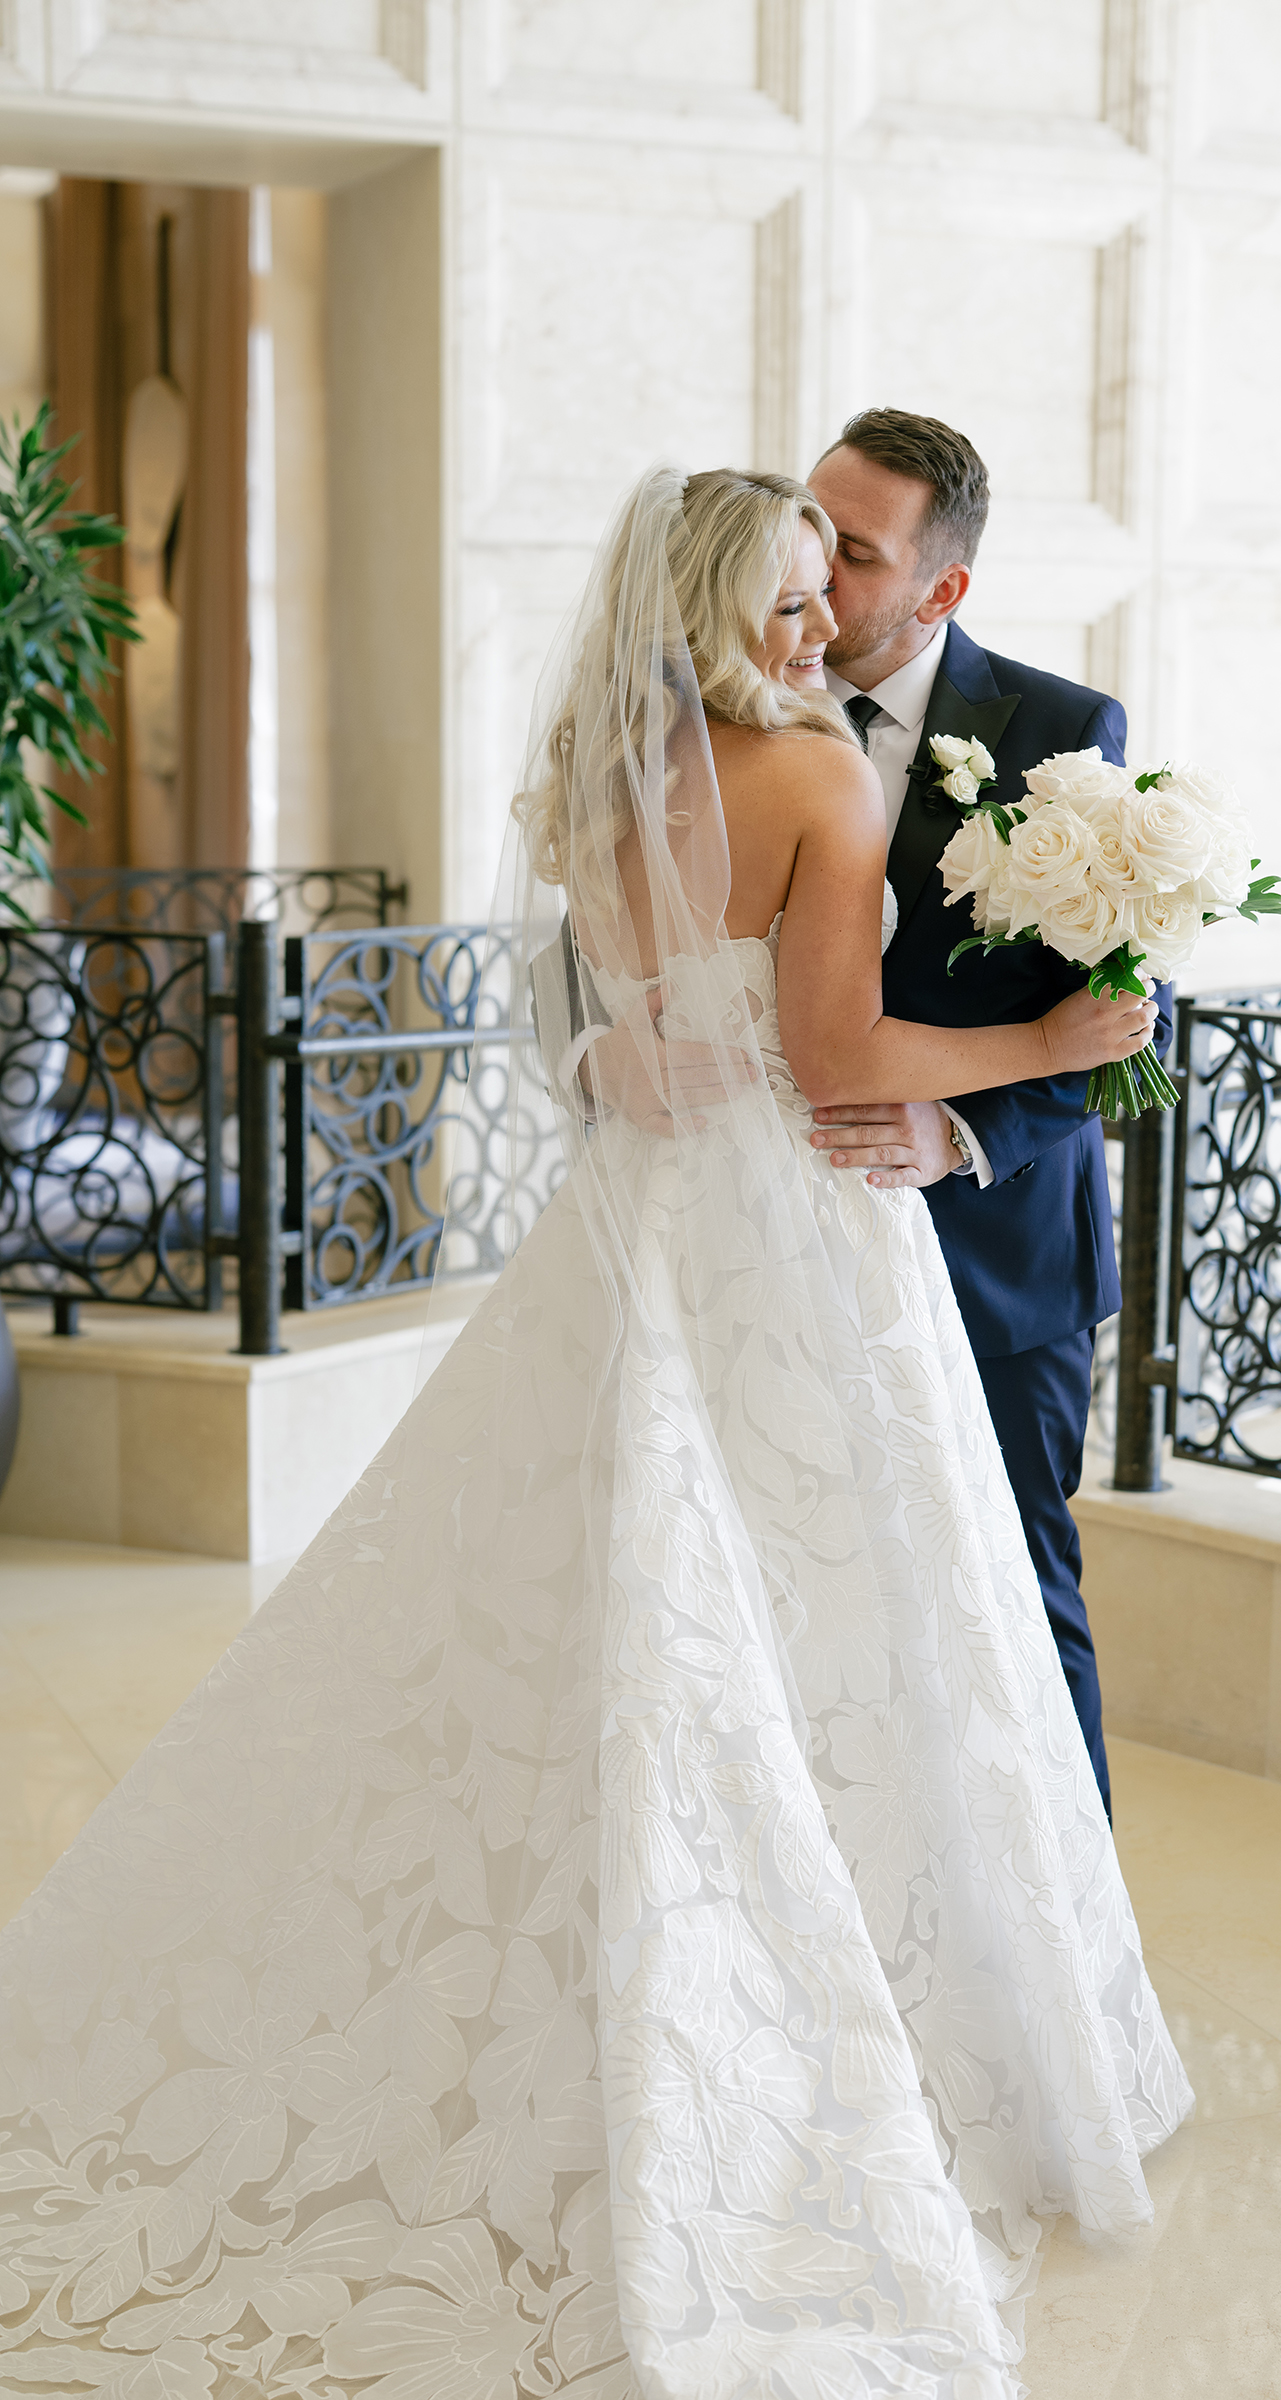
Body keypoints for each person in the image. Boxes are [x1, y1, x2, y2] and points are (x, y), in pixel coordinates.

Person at [0, 466, 1191, 2399]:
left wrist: (612, 1055)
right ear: (714, 608)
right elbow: (835, 1056)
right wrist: (1051, 1046)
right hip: (797, 1235)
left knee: (621, 1601)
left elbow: (614, 1010)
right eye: (787, 598)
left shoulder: (597, 775)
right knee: (845, 1612)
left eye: (830, 587)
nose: (817, 628)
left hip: (640, 1226)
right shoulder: (818, 777)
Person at [807, 411, 1173, 1824]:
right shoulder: (742, 704)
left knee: (1017, 1584)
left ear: (941, 587)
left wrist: (960, 1133)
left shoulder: (1063, 733)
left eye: (854, 551)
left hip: (998, 1257)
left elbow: (1125, 1009)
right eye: (809, 525)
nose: (814, 567)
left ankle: (1071, 1904)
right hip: (795, 1243)